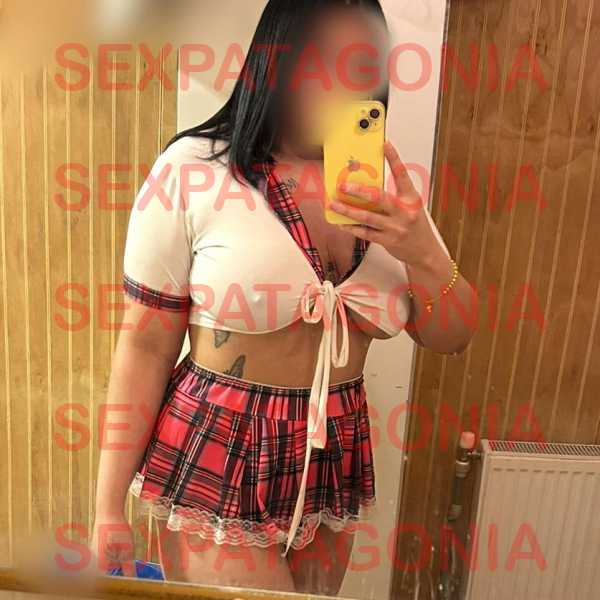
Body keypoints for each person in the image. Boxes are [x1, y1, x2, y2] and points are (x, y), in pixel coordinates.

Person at [90, 0, 475, 594]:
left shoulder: (389, 191)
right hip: (223, 444)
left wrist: (422, 247)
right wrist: (107, 507)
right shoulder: (194, 170)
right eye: (320, 59)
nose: (341, 83)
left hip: (335, 450)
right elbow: (145, 345)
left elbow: (453, 336)